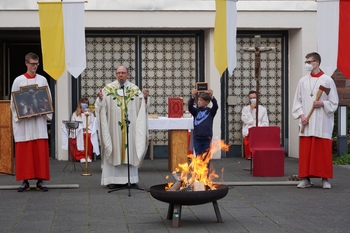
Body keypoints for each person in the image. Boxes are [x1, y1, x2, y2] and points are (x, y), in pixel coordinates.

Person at [95, 65, 149, 189]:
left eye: (123, 73)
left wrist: (145, 98)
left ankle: (131, 179)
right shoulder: (108, 89)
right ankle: (112, 180)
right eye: (118, 72)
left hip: (131, 128)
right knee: (114, 148)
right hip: (114, 128)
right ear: (115, 74)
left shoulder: (135, 90)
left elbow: (142, 108)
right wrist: (101, 100)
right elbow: (100, 107)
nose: (120, 75)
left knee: (130, 149)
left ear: (128, 75)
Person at [292, 52, 338, 189]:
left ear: (316, 62)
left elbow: (334, 102)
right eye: (306, 62)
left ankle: (325, 179)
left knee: (322, 151)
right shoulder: (303, 81)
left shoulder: (327, 80)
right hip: (307, 122)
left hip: (322, 122)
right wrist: (302, 116)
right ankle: (305, 178)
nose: (307, 64)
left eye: (309, 62)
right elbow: (297, 101)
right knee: (306, 151)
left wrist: (322, 104)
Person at [10, 52, 52, 192]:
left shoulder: (42, 80)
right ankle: (25, 180)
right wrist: (21, 114)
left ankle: (40, 180)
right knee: (25, 151)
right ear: (26, 63)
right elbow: (13, 102)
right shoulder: (18, 80)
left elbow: (48, 99)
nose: (35, 66)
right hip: (25, 123)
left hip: (38, 120)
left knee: (39, 149)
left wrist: (44, 110)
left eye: (37, 64)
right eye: (32, 64)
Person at [188, 88, 218, 156]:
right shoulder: (196, 111)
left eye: (201, 100)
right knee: (198, 158)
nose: (199, 101)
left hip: (207, 138)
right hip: (197, 138)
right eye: (198, 99)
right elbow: (190, 107)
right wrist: (192, 97)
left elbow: (216, 106)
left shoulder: (210, 112)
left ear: (206, 102)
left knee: (206, 158)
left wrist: (212, 97)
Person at [241, 90, 269, 160]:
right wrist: (250, 110)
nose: (253, 99)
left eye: (254, 97)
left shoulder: (263, 109)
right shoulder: (245, 109)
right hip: (249, 128)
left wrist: (258, 128)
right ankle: (249, 155)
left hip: (259, 129)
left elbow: (265, 122)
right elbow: (245, 120)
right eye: (251, 98)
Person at [70, 97, 95, 163]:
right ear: (80, 104)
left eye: (86, 103)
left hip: (88, 130)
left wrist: (87, 128)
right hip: (78, 131)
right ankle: (81, 156)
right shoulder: (75, 114)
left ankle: (88, 156)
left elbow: (92, 123)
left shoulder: (90, 113)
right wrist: (80, 128)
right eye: (83, 103)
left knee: (88, 136)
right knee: (80, 136)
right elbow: (73, 123)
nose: (85, 104)